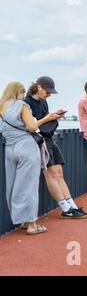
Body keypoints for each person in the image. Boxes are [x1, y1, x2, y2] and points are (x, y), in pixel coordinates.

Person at [25, 76, 87, 218]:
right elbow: (30, 126)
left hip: (49, 138)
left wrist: (54, 116)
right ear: (39, 87)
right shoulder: (26, 103)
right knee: (51, 173)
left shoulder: (43, 103)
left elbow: (43, 121)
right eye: (47, 92)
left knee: (59, 172)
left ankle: (72, 206)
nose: (48, 95)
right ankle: (65, 209)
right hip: (38, 141)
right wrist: (49, 118)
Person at [0, 82, 46, 235]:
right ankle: (32, 224)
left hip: (9, 149)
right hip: (26, 147)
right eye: (23, 92)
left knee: (13, 186)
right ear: (18, 92)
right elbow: (32, 127)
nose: (24, 96)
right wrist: (46, 119)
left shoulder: (2, 106)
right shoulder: (22, 105)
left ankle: (22, 221)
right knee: (29, 186)